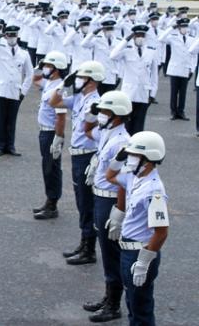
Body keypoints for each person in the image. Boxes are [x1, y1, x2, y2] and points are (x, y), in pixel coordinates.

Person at [105, 131, 168, 326]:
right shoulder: (135, 177)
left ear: (148, 159)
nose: (130, 159)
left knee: (141, 308)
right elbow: (110, 176)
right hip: (127, 250)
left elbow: (161, 232)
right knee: (132, 302)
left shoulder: (154, 190)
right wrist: (118, 158)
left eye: (134, 155)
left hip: (139, 254)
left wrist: (144, 262)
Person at [82, 90, 132, 322]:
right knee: (106, 249)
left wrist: (119, 211)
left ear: (118, 114)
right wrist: (92, 113)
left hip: (111, 199)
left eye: (104, 111)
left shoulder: (123, 142)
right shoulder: (108, 132)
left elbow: (123, 181)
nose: (100, 114)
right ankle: (108, 296)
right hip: (100, 195)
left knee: (111, 253)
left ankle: (114, 304)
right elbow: (86, 130)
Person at [49, 60, 105, 265]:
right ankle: (84, 242)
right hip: (77, 154)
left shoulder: (96, 104)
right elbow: (53, 102)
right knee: (81, 201)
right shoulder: (81, 98)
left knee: (87, 202)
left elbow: (101, 135)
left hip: (88, 155)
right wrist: (64, 84)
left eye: (82, 77)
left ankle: (89, 249)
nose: (78, 80)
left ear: (92, 81)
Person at [0, 24, 33, 156]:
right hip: (0, 90)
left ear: (18, 36)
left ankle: (11, 146)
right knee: (0, 119)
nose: (12, 38)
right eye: (9, 35)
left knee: (11, 120)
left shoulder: (24, 53)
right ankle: (0, 146)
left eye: (14, 35)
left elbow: (29, 74)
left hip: (15, 90)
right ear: (5, 36)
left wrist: (23, 91)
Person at [32, 51, 68, 220]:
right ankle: (49, 200)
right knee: (47, 167)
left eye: (48, 66)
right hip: (44, 131)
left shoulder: (59, 88)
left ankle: (52, 205)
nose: (45, 68)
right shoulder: (50, 82)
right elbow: (36, 81)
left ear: (57, 69)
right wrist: (38, 68)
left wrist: (58, 138)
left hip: (51, 132)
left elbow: (61, 116)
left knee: (51, 169)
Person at [110, 24, 158, 134]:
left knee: (139, 125)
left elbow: (154, 74)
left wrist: (153, 93)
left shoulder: (151, 50)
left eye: (142, 35)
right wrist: (126, 40)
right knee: (126, 124)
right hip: (129, 93)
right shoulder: (127, 49)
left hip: (143, 93)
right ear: (134, 36)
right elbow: (112, 55)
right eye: (138, 35)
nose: (140, 37)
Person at [158, 18, 195, 121]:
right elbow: (161, 38)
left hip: (185, 68)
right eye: (182, 27)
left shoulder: (191, 39)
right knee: (174, 92)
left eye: (186, 26)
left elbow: (194, 55)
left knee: (183, 92)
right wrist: (171, 28)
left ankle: (181, 111)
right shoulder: (173, 37)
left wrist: (192, 68)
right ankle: (173, 112)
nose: (184, 29)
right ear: (178, 28)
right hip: (175, 69)